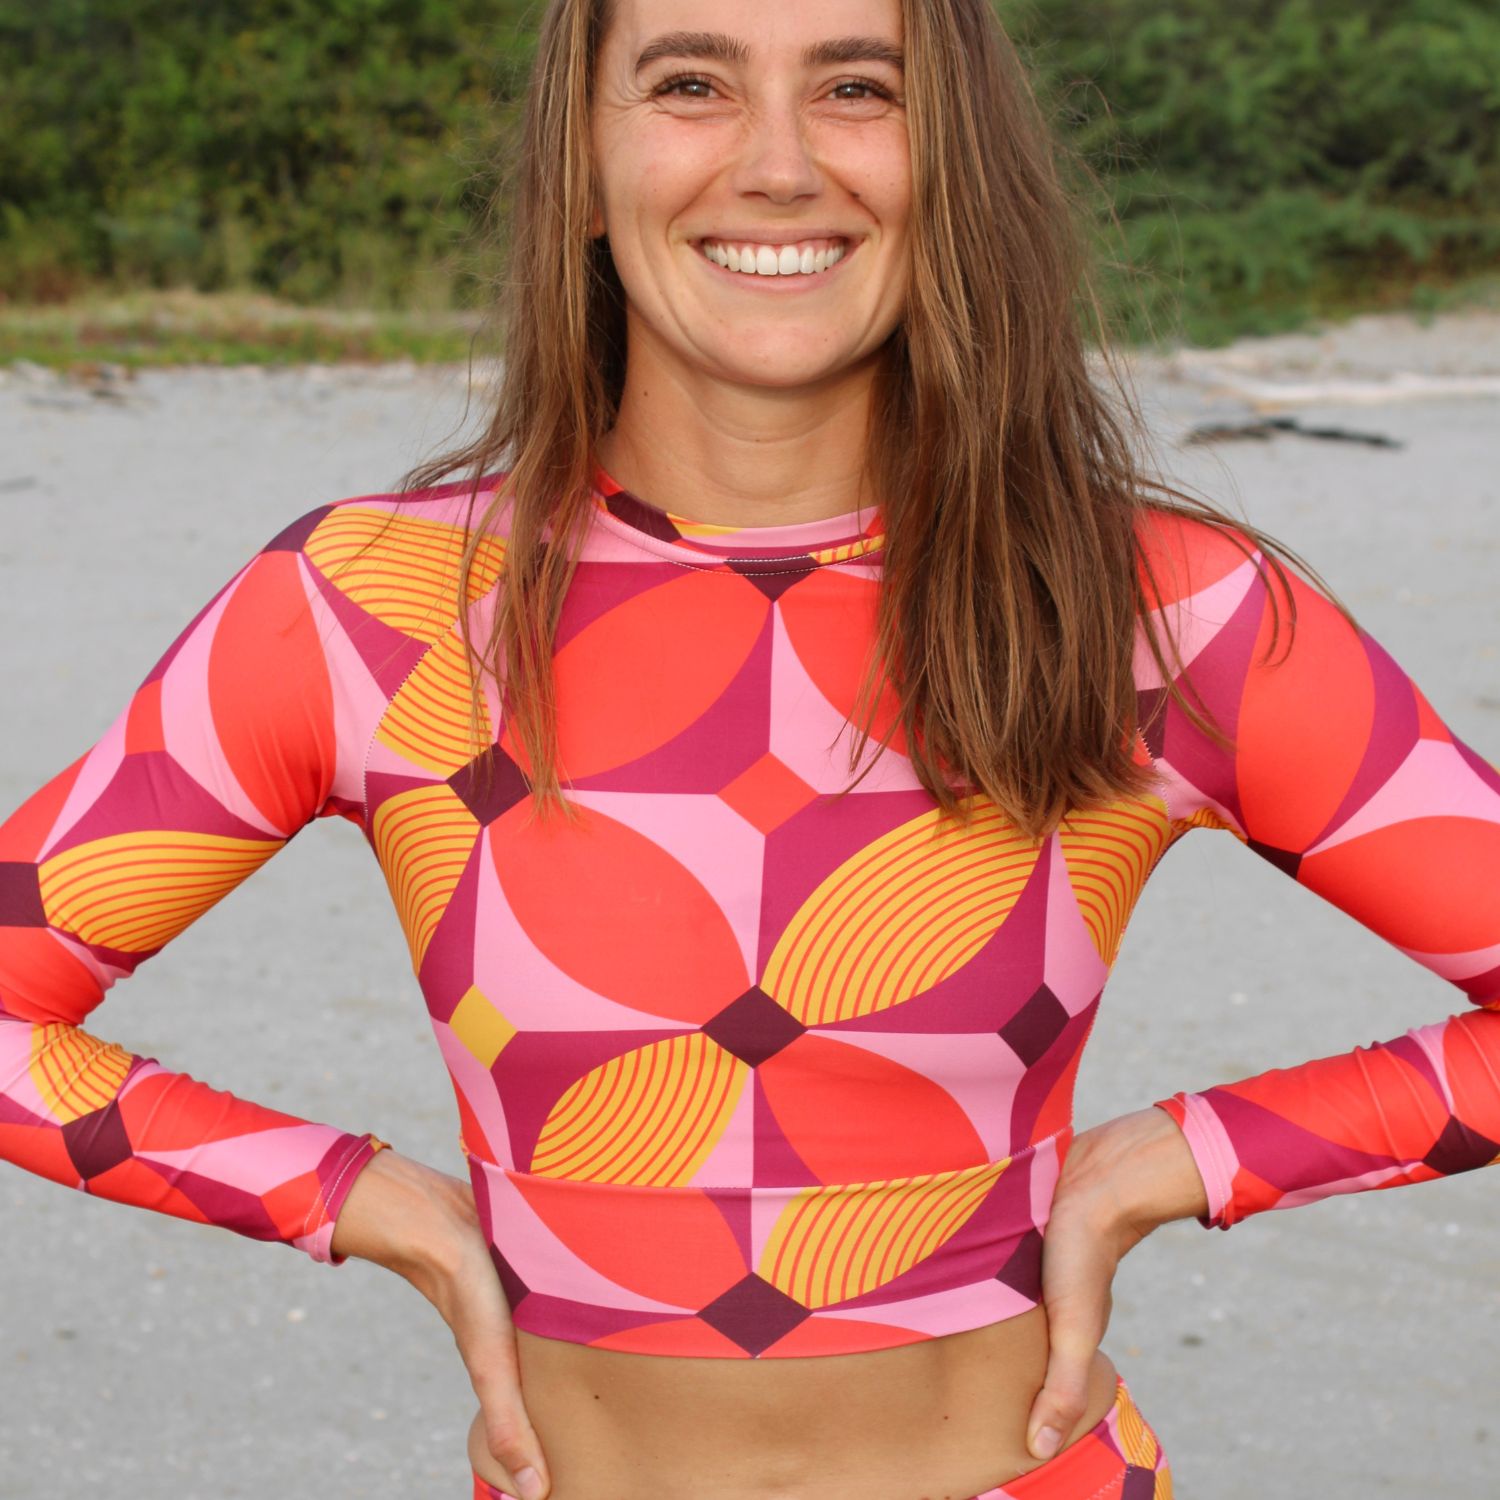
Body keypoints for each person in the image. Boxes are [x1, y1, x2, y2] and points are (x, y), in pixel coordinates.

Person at [3, 1, 1497, 1497]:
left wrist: (1188, 1157)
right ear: (584, 165)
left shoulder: (1154, 607)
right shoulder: (369, 608)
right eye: (691, 84)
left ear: (957, 159)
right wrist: (360, 1200)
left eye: (858, 88)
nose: (779, 164)